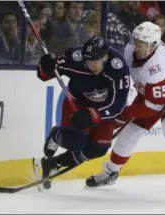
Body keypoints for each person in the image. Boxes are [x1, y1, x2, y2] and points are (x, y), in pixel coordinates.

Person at [85, 22, 165, 199]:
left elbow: (154, 106)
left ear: (153, 45)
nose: (137, 46)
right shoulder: (130, 48)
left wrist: (125, 114)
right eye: (136, 40)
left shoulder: (156, 68)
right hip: (151, 91)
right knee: (130, 132)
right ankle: (111, 172)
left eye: (142, 43)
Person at [35, 36, 131, 189]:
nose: (91, 65)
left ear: (105, 57)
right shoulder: (75, 59)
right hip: (78, 103)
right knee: (75, 142)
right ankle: (56, 134)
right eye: (88, 62)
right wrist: (44, 66)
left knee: (97, 149)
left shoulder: (118, 69)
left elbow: (117, 106)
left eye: (96, 62)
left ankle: (54, 163)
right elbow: (44, 75)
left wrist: (94, 115)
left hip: (103, 109)